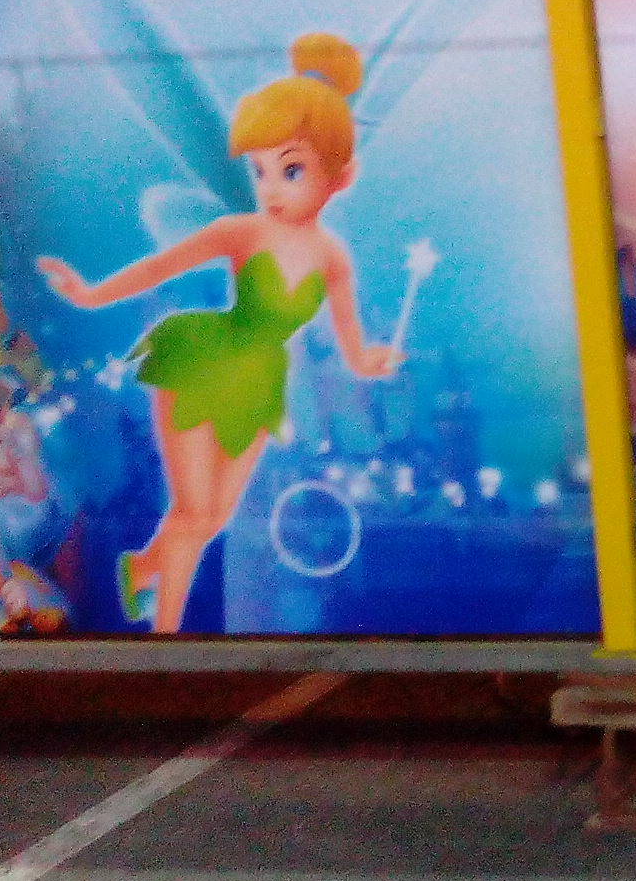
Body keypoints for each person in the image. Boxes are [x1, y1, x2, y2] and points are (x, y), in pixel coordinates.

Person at [37, 34, 398, 633]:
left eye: (291, 169)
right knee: (192, 512)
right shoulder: (242, 232)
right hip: (204, 360)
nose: (271, 187)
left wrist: (372, 361)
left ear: (341, 176)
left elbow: (351, 343)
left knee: (209, 520)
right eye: (261, 170)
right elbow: (162, 266)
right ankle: (165, 643)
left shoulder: (334, 259)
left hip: (259, 384)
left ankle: (141, 568)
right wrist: (90, 294)